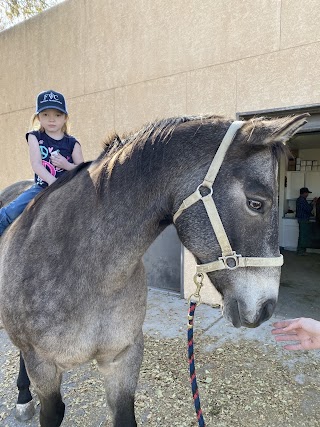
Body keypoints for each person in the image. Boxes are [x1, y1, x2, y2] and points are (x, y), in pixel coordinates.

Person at [0, 89, 84, 236]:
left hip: (70, 187)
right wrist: (52, 181)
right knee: (12, 210)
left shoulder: (73, 143)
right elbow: (36, 164)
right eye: (46, 115)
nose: (52, 120)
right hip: (43, 186)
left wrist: (66, 165)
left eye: (57, 115)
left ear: (65, 118)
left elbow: (82, 169)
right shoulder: (35, 137)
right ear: (38, 117)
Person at [295, 187, 317, 255]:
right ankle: (300, 251)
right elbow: (308, 209)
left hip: (302, 219)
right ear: (304, 193)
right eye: (307, 193)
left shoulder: (301, 200)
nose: (307, 194)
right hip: (303, 220)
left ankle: (301, 251)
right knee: (303, 236)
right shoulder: (302, 200)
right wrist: (313, 203)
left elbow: (306, 208)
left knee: (302, 235)